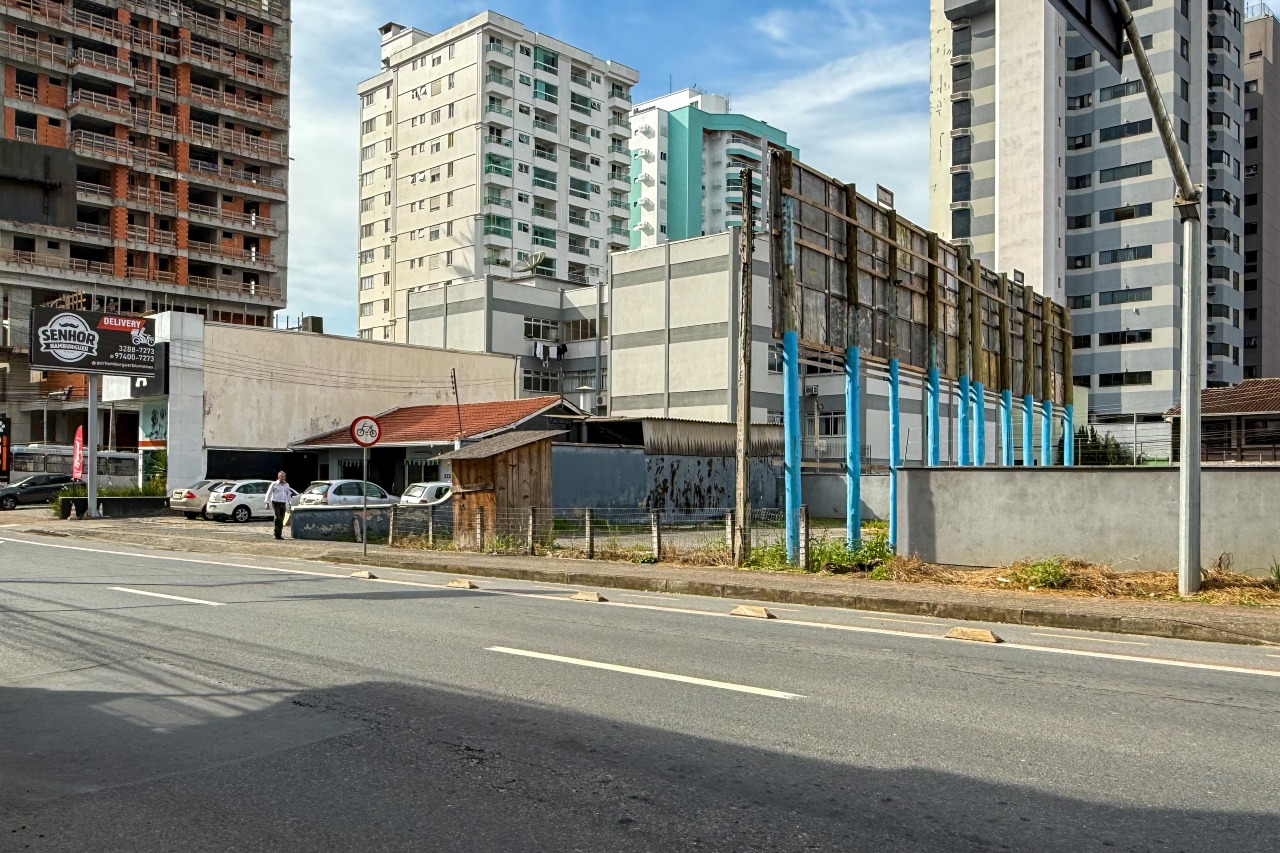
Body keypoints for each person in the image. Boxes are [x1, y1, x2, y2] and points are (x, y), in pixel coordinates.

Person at [264, 471, 298, 540]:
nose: (283, 478)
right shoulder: (274, 484)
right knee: (278, 518)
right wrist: (267, 502)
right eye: (282, 477)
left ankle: (279, 535)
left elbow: (288, 494)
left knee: (282, 519)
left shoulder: (287, 485)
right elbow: (269, 493)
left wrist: (290, 503)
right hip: (275, 503)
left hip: (283, 503)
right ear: (278, 477)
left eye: (284, 477)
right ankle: (275, 534)